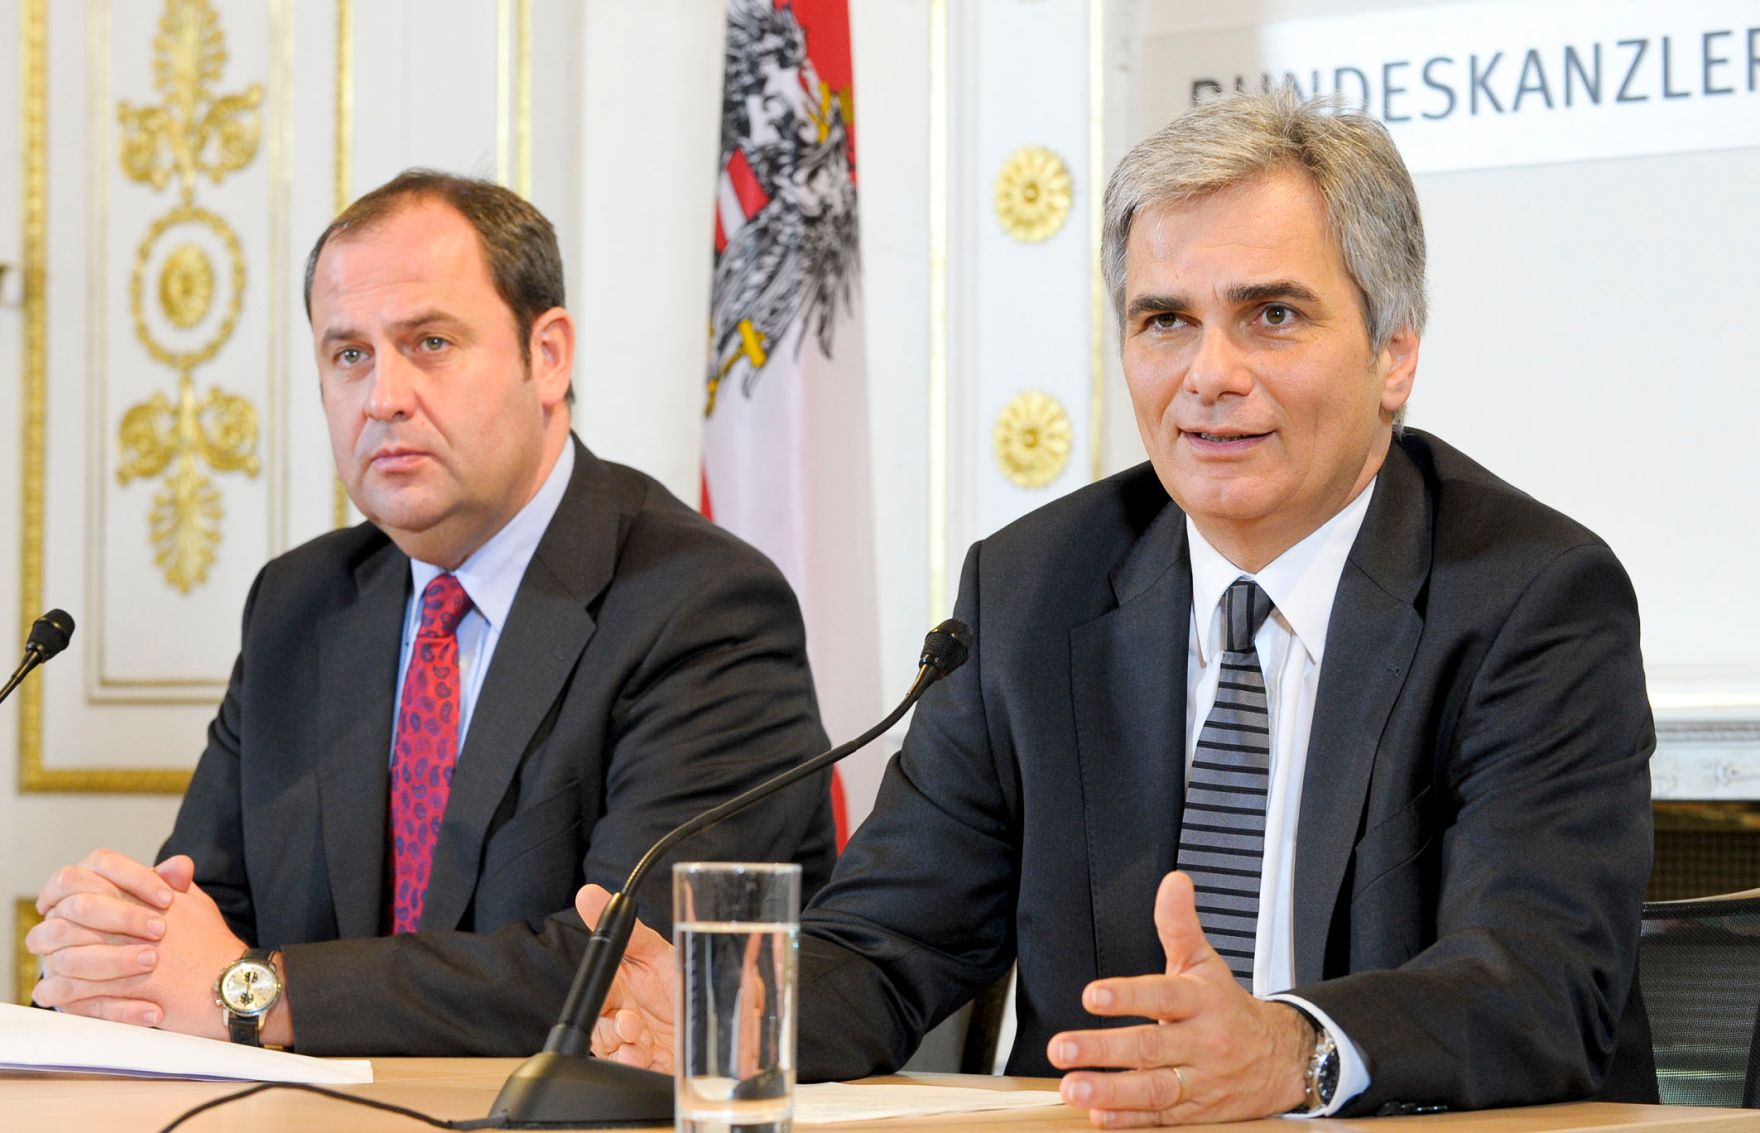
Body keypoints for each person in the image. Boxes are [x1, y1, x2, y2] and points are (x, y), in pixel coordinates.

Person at [576, 89, 1657, 1124]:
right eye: (1164, 320)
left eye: (1270, 315)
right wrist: (754, 1011)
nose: (1208, 373)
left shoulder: (1527, 596)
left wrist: (1289, 1047)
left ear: (1392, 352)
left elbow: (1537, 980)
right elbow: (888, 939)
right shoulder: (1031, 590)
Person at [28, 170, 837, 1056]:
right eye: (349, 354)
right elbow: (201, 917)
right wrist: (113, 950)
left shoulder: (700, 605)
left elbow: (630, 974)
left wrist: (262, 991)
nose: (384, 397)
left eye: (431, 342)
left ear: (550, 356)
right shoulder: (299, 605)